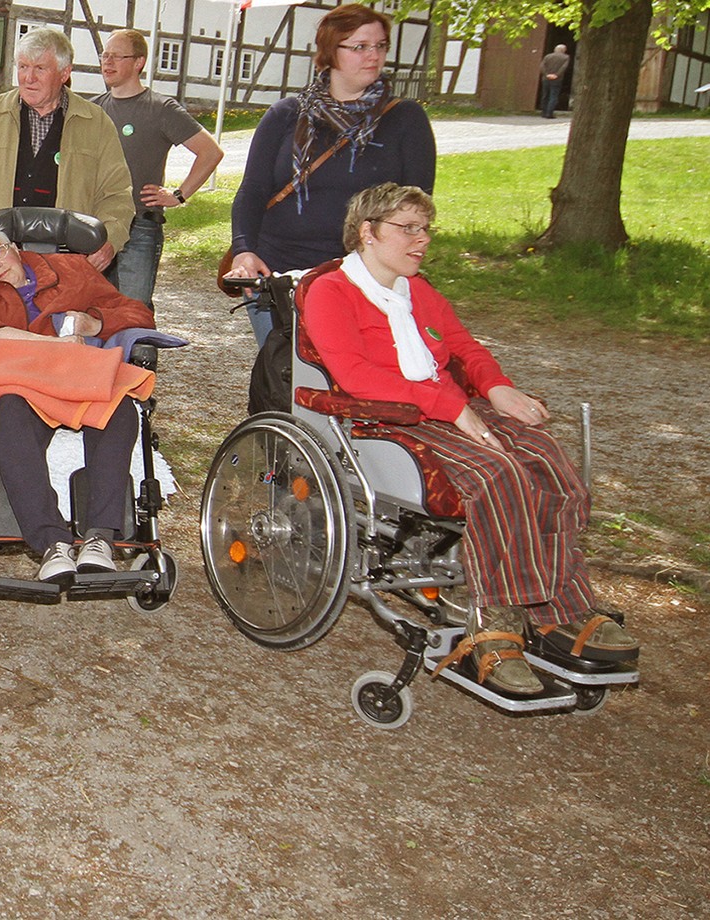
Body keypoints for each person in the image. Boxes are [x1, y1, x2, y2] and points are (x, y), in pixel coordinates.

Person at [300, 184, 638, 696]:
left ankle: (560, 613)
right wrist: (454, 407)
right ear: (367, 233)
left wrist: (497, 388)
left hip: (442, 408)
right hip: (383, 419)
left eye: (426, 229)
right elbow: (354, 374)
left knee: (546, 457)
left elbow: (462, 347)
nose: (422, 240)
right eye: (407, 228)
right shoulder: (331, 292)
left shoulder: (419, 292)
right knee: (495, 474)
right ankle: (493, 624)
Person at [0, 227, 154, 579]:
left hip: (81, 376)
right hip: (25, 383)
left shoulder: (71, 269)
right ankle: (52, 543)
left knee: (121, 411)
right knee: (11, 429)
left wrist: (95, 322)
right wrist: (56, 345)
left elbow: (136, 312)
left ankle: (99, 538)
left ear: (12, 247)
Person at [223, 3, 436, 344]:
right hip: (277, 271)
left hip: (363, 278)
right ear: (329, 52)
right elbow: (253, 190)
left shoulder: (405, 120)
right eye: (360, 46)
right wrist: (245, 251)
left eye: (380, 46)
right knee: (282, 379)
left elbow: (417, 208)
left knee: (347, 381)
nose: (374, 56)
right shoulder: (286, 115)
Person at [0, 27, 133, 269]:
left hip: (70, 263)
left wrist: (109, 239)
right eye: (23, 67)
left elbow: (116, 194)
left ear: (64, 72)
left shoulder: (95, 122)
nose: (29, 78)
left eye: (40, 68)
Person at [92, 29, 225, 309]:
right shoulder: (93, 110)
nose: (108, 62)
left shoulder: (160, 108)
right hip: (96, 227)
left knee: (134, 311)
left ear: (139, 62)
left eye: (117, 56)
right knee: (96, 309)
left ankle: (137, 355)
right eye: (105, 55)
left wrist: (178, 195)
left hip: (140, 226)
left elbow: (210, 152)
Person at [539, 43, 571, 119]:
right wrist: (556, 75)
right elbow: (564, 67)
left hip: (546, 78)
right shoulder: (566, 57)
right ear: (564, 50)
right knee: (553, 96)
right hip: (557, 79)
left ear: (555, 49)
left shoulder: (548, 56)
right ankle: (549, 113)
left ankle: (543, 112)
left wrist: (546, 74)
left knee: (545, 95)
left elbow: (542, 66)